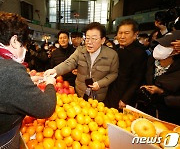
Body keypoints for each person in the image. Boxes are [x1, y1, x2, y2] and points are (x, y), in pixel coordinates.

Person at [0, 12, 56, 148]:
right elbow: (46, 108)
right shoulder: (10, 69)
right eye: (23, 45)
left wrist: (27, 80)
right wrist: (50, 84)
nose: (24, 50)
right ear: (14, 41)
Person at [45, 22, 119, 102]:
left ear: (102, 40)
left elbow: (113, 73)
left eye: (94, 38)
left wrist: (100, 84)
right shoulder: (80, 50)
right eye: (87, 38)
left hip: (99, 96)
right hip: (80, 93)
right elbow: (69, 62)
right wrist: (55, 70)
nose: (89, 42)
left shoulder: (111, 55)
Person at [138, 30, 180, 124]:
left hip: (171, 117)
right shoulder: (151, 61)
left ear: (177, 50)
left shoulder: (176, 69)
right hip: (149, 113)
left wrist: (161, 92)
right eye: (160, 44)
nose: (160, 48)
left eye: (166, 46)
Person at [105, 18, 147, 110]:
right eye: (120, 33)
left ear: (135, 34)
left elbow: (137, 80)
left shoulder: (139, 53)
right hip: (110, 92)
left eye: (126, 33)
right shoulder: (117, 49)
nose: (122, 36)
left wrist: (125, 99)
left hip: (124, 97)